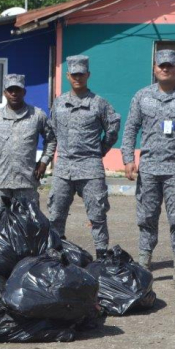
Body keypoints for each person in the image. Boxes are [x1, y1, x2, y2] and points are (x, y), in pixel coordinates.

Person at [121, 49, 175, 290]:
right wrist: (128, 158)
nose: (165, 69)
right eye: (161, 65)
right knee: (146, 217)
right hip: (149, 168)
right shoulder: (142, 97)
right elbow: (130, 129)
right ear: (154, 68)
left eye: (170, 66)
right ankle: (143, 262)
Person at [48, 55, 120, 258]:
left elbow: (112, 129)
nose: (78, 77)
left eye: (81, 74)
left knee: (97, 214)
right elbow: (52, 131)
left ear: (88, 75)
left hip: (90, 167)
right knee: (56, 214)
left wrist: (99, 151)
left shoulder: (99, 104)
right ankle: (56, 254)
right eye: (74, 74)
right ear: (68, 76)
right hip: (64, 168)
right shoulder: (59, 103)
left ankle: (101, 255)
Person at [0, 74, 56, 208]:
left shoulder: (37, 115)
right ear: (4, 93)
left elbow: (51, 139)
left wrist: (44, 162)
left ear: (24, 92)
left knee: (28, 225)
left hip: (26, 182)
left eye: (18, 90)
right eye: (10, 90)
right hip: (1, 183)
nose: (14, 93)